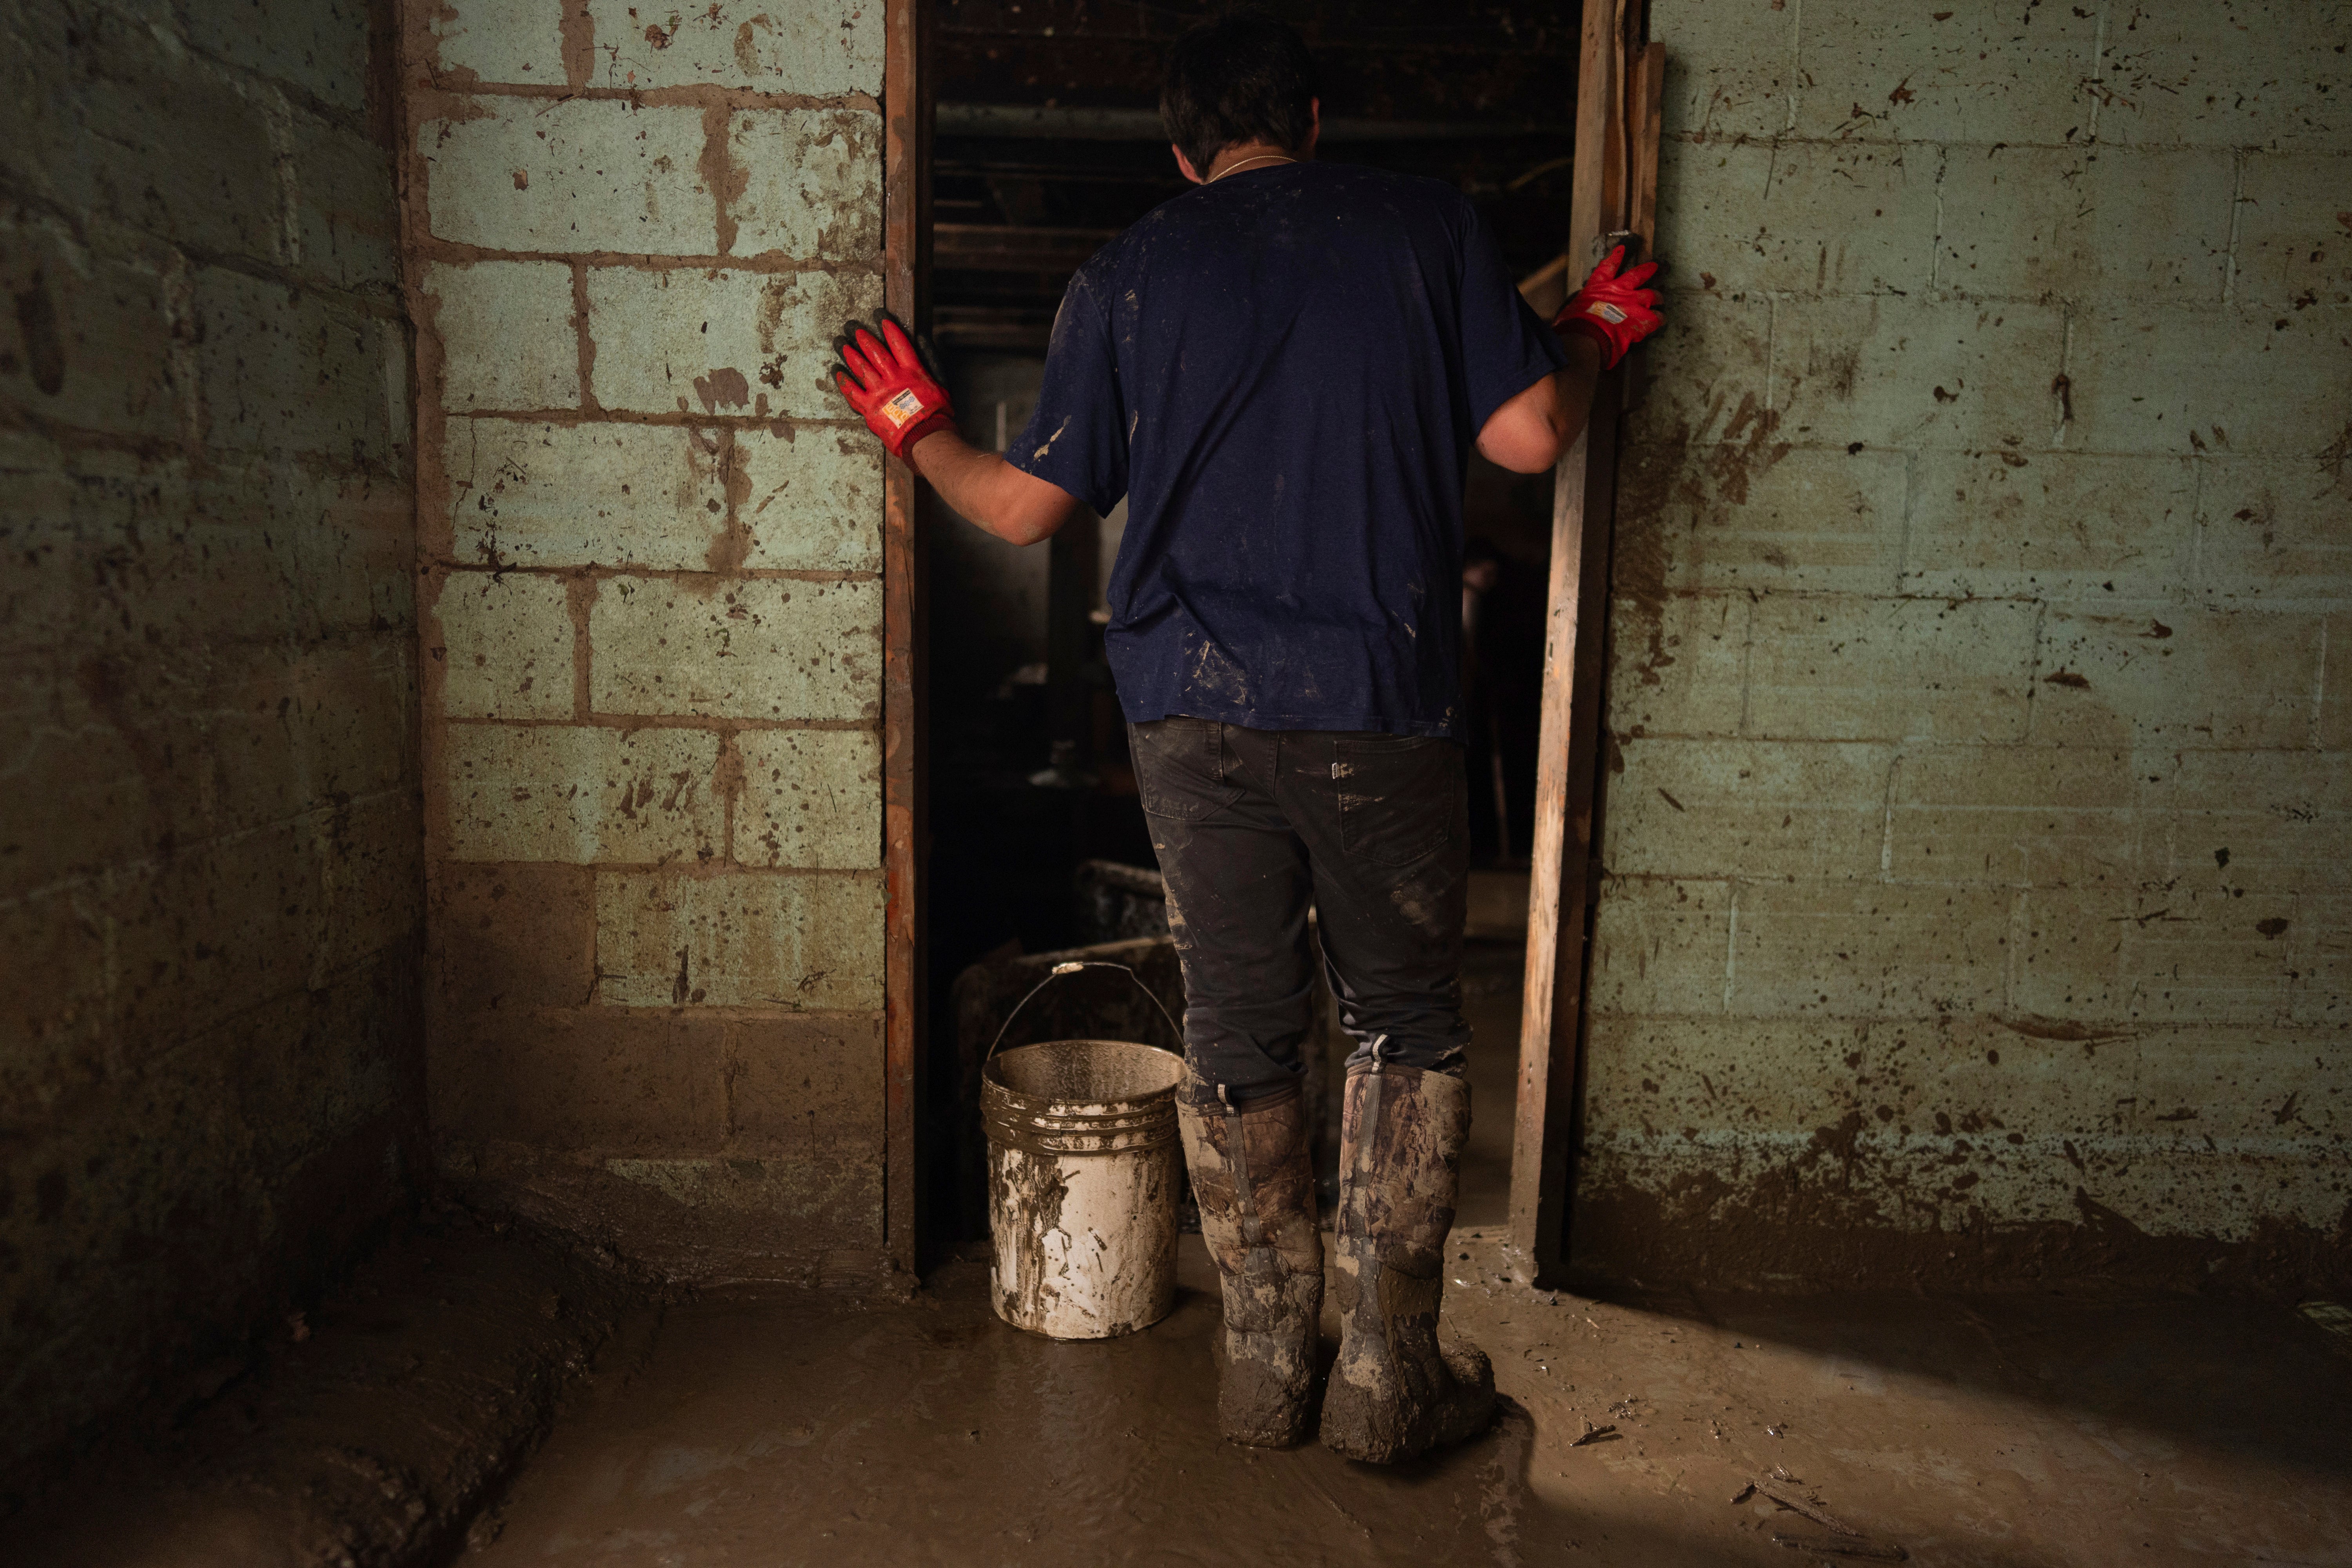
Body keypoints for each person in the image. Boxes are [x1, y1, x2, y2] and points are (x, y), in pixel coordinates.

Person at [831, 14, 1662, 1463]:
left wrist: (916, 431)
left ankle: (1266, 1370)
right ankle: (1388, 1381)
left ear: (1181, 150)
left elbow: (1031, 513)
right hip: (1373, 701)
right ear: (1317, 119)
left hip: (1185, 711)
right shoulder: (1425, 227)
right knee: (1403, 1022)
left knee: (1237, 1025)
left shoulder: (1126, 273)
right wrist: (1589, 334)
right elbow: (1532, 438)